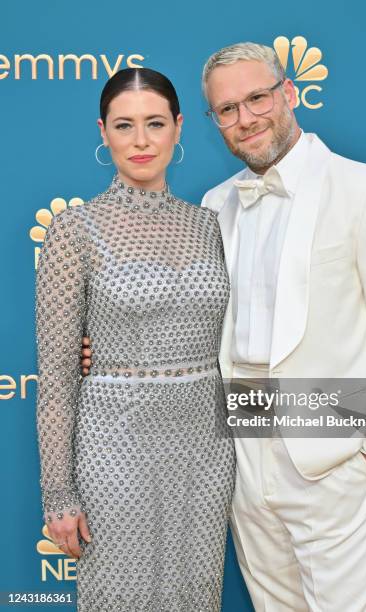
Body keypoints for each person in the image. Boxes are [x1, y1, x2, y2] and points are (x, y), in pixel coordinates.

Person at [198, 43, 366, 611]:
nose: (244, 118)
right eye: (226, 109)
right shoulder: (214, 205)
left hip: (333, 450)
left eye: (256, 98)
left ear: (289, 93)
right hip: (243, 451)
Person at [35, 67, 235, 612]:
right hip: (114, 442)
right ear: (103, 131)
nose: (141, 141)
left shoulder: (212, 224)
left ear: (179, 127)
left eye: (154, 123)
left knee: (197, 595)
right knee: (119, 597)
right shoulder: (74, 230)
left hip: (207, 445)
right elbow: (54, 376)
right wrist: (59, 494)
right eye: (125, 126)